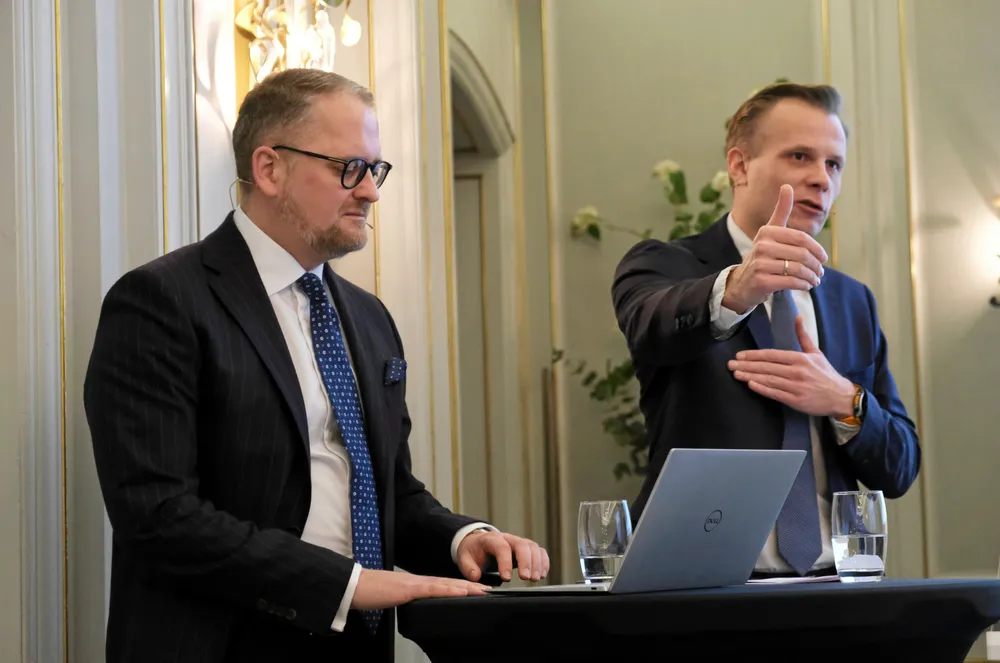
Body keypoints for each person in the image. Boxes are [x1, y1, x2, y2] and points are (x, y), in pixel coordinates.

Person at [83, 68, 549, 663]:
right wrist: (344, 585)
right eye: (348, 168)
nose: (371, 192)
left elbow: (387, 492)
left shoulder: (370, 317)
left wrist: (460, 538)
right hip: (222, 642)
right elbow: (160, 515)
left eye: (375, 169)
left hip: (358, 646)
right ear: (269, 169)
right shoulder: (161, 301)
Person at [611, 83, 920, 578]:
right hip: (704, 588)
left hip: (839, 584)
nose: (821, 179)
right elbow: (652, 326)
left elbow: (900, 467)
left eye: (834, 164)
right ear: (739, 166)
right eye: (800, 156)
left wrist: (846, 401)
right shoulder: (664, 265)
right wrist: (738, 286)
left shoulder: (852, 300)